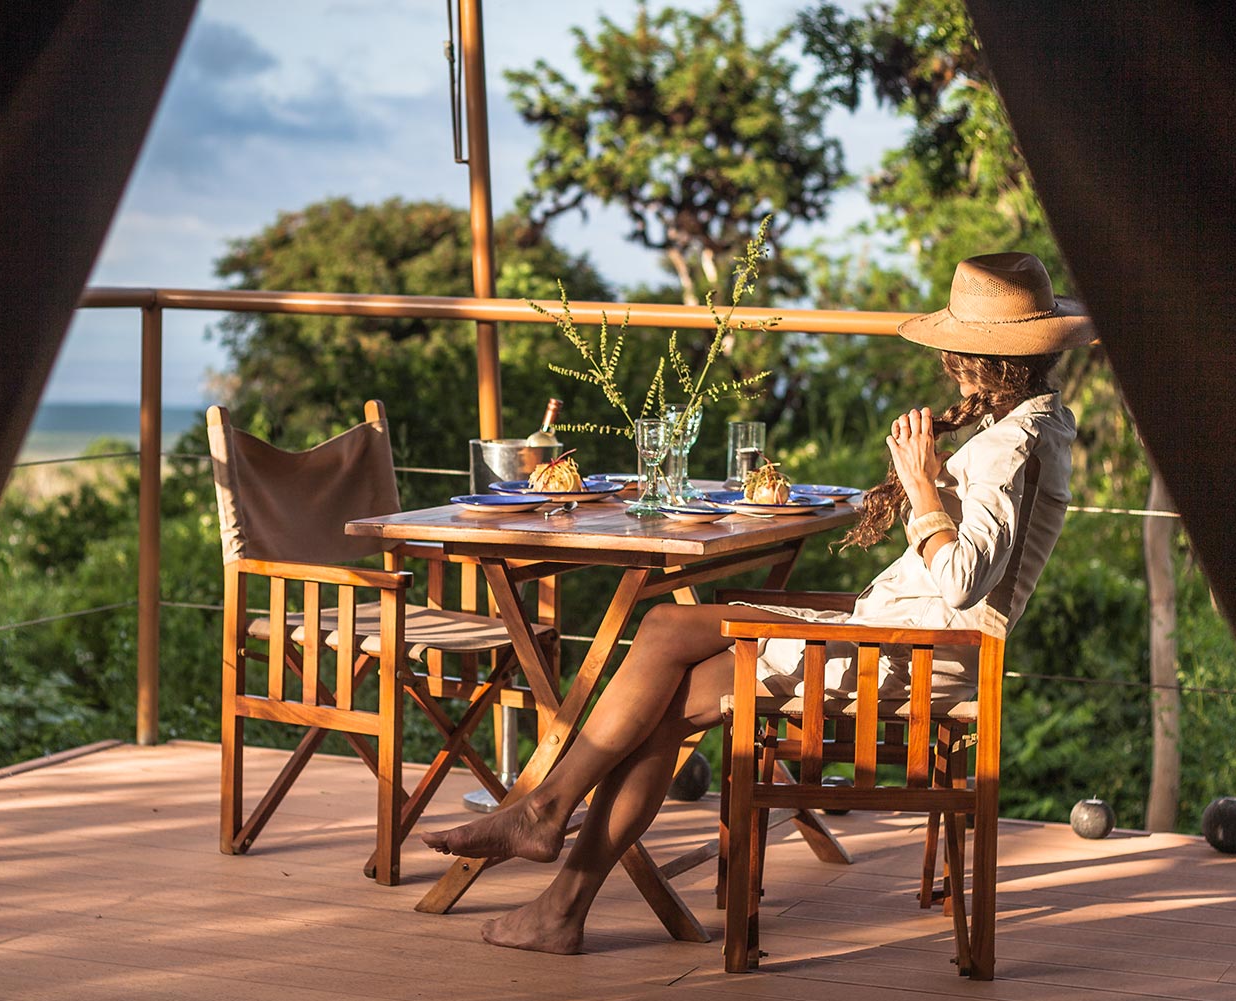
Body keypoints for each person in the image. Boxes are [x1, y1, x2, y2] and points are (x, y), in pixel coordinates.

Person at [420, 252, 1094, 955]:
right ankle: (557, 890)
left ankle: (548, 819)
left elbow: (962, 581)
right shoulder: (1033, 427)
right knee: (664, 682)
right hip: (890, 639)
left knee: (662, 628)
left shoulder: (1012, 445)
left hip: (909, 658)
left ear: (965, 356)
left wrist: (921, 487)